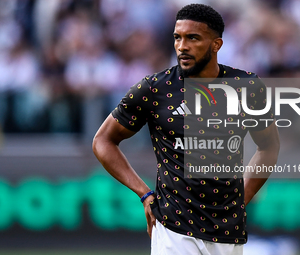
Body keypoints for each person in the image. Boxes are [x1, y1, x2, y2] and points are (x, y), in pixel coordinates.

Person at [92, 4, 280, 255]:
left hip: (227, 232)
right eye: (177, 37)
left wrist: (242, 199)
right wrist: (144, 193)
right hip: (172, 228)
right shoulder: (154, 88)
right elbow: (103, 141)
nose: (182, 46)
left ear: (216, 45)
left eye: (193, 38)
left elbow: (269, 147)